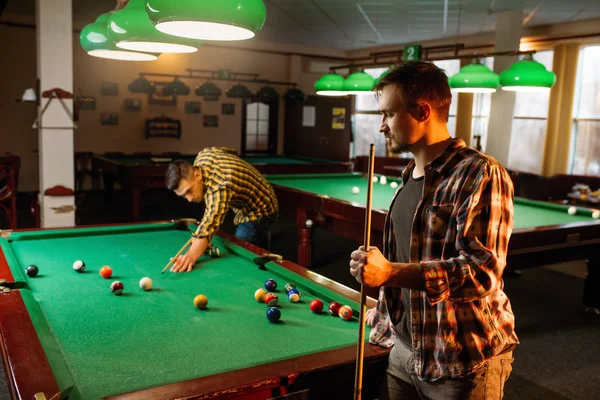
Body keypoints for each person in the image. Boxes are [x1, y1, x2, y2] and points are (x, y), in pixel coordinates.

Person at [349, 61, 519, 399]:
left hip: (459, 360)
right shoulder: (409, 175)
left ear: (423, 111)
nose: (382, 125)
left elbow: (480, 273)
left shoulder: (481, 174)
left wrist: (390, 273)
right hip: (404, 351)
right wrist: (384, 308)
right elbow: (410, 259)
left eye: (389, 114)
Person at [165, 147, 278, 272]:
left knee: (241, 251)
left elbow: (209, 225)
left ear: (197, 174)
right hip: (244, 202)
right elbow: (230, 151)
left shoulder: (220, 187)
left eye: (189, 191)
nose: (190, 199)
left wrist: (190, 256)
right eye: (183, 195)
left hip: (261, 208)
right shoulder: (204, 155)